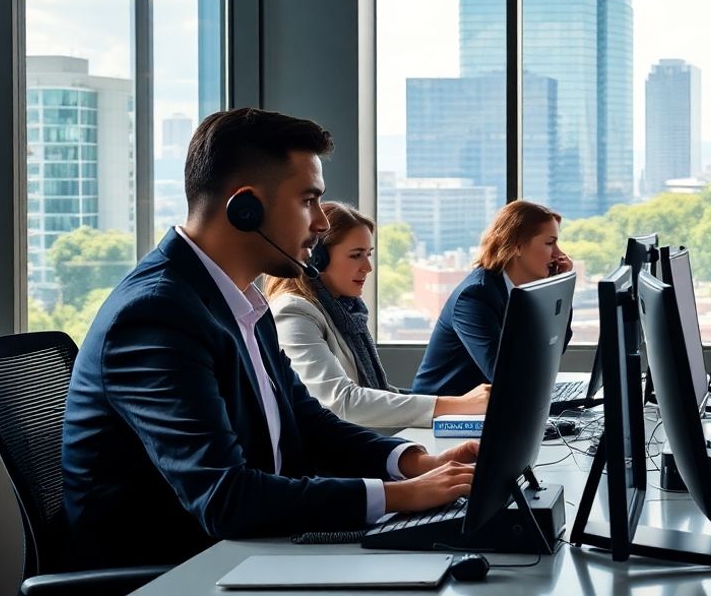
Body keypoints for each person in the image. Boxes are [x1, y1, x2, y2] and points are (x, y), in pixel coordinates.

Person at [62, 109, 479, 569]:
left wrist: (414, 463)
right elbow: (225, 498)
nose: (321, 223)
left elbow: (308, 422)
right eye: (308, 200)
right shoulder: (156, 315)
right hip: (182, 569)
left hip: (255, 550)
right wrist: (399, 496)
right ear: (247, 209)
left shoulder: (245, 303)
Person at [265, 202, 490, 429]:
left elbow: (375, 393)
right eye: (356, 256)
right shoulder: (294, 313)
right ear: (317, 258)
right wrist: (456, 405)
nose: (368, 267)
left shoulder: (346, 311)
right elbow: (343, 402)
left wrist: (462, 407)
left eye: (368, 255)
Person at [411, 200, 573, 397]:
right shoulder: (475, 296)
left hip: (495, 405)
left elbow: (552, 350)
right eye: (550, 243)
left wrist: (559, 289)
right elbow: (502, 373)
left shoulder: (522, 291)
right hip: (447, 415)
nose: (559, 254)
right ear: (518, 246)